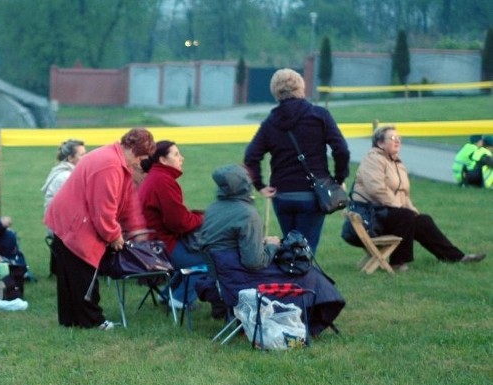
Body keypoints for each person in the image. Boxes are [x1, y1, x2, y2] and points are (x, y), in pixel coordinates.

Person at [195, 164, 345, 336]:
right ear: (244, 184)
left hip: (223, 276)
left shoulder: (215, 208)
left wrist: (261, 243)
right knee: (306, 272)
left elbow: (229, 243)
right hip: (240, 278)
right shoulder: (246, 213)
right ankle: (307, 324)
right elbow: (253, 262)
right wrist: (272, 245)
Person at [44, 127, 155, 329]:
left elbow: (128, 200)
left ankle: (71, 320)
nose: (141, 162)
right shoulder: (110, 165)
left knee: (72, 276)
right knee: (84, 275)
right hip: (76, 224)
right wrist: (114, 235)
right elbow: (102, 209)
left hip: (71, 220)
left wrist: (136, 228)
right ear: (132, 149)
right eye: (141, 157)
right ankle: (92, 321)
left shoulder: (118, 161)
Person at [244, 68, 350, 257]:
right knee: (305, 253)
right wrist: (338, 178)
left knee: (291, 248)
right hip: (312, 193)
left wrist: (259, 185)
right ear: (301, 87)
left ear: (275, 91)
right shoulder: (319, 115)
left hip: (282, 195)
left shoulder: (270, 122)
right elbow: (341, 150)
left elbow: (251, 157)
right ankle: (305, 285)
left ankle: (291, 283)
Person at [353, 125, 486, 271]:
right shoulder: (374, 160)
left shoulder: (396, 162)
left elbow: (402, 193)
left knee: (423, 220)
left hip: (387, 214)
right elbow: (377, 190)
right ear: (380, 143)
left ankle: (455, 257)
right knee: (406, 216)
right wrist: (401, 208)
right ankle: (398, 262)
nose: (397, 141)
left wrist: (412, 209)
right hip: (372, 217)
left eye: (399, 138)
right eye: (392, 138)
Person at [137, 140, 208, 308]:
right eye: (176, 154)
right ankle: (179, 299)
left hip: (152, 244)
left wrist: (196, 215)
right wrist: (204, 218)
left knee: (198, 256)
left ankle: (167, 294)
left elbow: (176, 217)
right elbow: (180, 223)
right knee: (214, 259)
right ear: (162, 160)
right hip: (160, 247)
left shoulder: (156, 177)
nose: (181, 158)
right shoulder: (163, 181)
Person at [41, 139, 86, 213]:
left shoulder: (65, 173)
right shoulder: (65, 177)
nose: (86, 157)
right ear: (70, 158)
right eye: (82, 155)